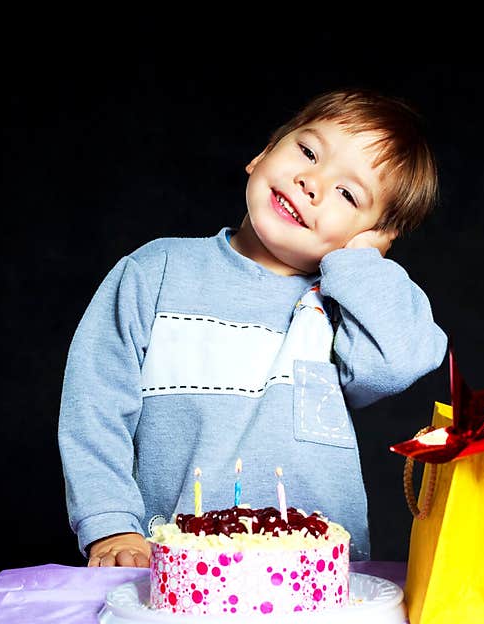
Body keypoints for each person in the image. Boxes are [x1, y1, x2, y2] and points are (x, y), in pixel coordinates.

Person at [58, 87, 448, 568]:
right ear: (264, 153)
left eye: (348, 194)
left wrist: (362, 262)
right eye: (308, 152)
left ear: (370, 237)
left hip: (314, 578)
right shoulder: (156, 271)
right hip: (176, 567)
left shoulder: (343, 307)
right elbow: (93, 408)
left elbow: (401, 361)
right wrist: (112, 526)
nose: (312, 183)